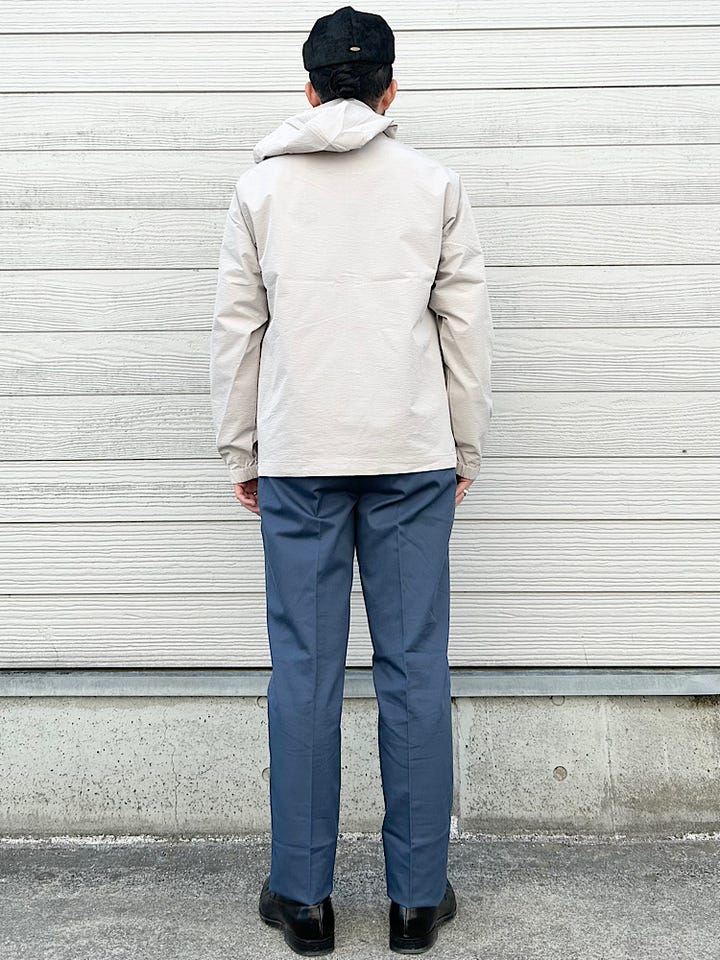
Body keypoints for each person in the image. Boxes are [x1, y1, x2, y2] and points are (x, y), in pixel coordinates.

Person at [209, 5, 493, 955]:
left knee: (305, 670)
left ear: (308, 88)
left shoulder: (260, 188)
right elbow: (465, 329)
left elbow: (237, 331)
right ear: (389, 89)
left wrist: (241, 448)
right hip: (411, 453)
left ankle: (305, 901)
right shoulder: (433, 184)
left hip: (301, 456)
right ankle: (415, 902)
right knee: (414, 666)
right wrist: (465, 446)